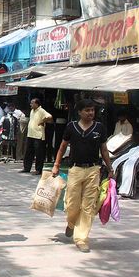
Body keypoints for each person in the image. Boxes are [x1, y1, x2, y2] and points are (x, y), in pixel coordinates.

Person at [52, 98, 113, 253]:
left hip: (93, 170)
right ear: (79, 112)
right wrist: (56, 165)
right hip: (75, 170)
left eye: (92, 110)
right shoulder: (71, 127)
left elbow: (104, 149)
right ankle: (71, 223)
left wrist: (110, 167)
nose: (90, 113)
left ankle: (81, 238)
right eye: (87, 110)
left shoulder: (100, 128)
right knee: (72, 204)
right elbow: (62, 147)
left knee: (88, 206)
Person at [21, 98, 53, 175]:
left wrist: (43, 121)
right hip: (30, 134)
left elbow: (50, 117)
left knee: (39, 153)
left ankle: (38, 169)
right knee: (28, 152)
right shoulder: (32, 111)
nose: (30, 104)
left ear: (37, 104)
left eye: (32, 103)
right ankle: (26, 168)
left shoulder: (41, 110)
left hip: (38, 135)